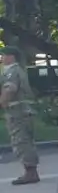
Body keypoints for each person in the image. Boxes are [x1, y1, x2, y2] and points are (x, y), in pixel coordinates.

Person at [0, 47, 39, 185]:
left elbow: (9, 90)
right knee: (24, 140)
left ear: (12, 57)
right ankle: (30, 171)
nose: (1, 58)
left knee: (21, 141)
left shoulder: (12, 71)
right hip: (21, 112)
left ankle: (30, 172)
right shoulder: (16, 70)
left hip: (18, 112)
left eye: (3, 55)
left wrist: (2, 102)